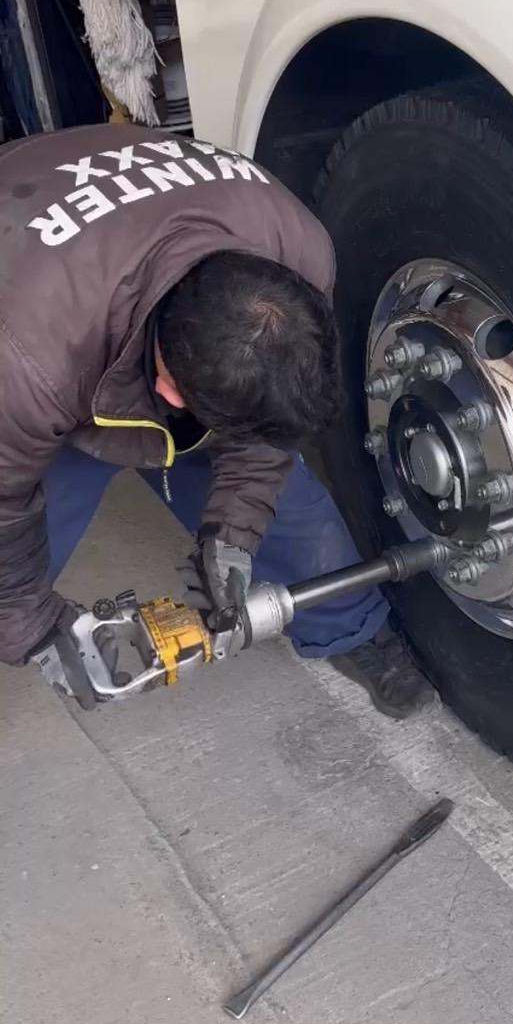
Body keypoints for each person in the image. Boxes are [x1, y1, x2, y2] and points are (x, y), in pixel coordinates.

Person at [0, 123, 431, 718]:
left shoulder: (297, 252)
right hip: (26, 265)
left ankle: (350, 627)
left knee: (288, 507)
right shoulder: (26, 362)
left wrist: (233, 533)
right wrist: (33, 626)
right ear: (165, 385)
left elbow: (270, 427)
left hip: (113, 274)